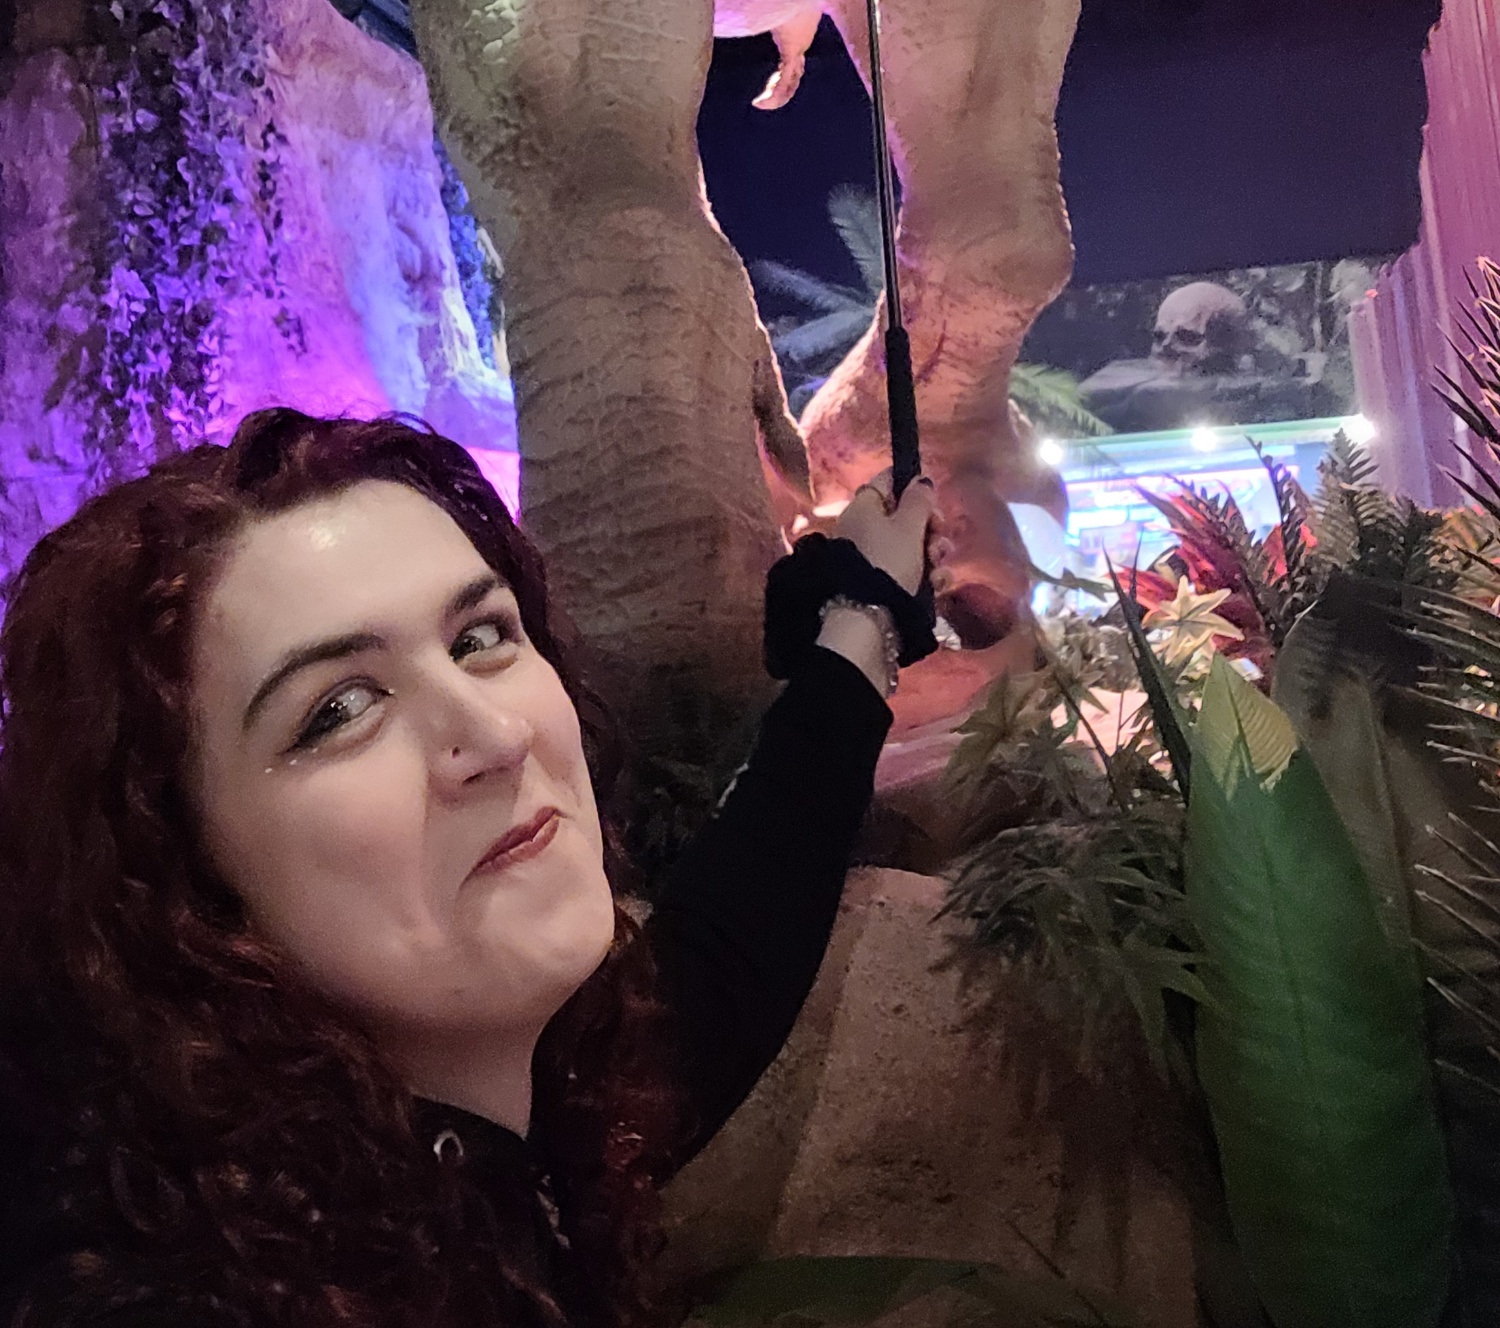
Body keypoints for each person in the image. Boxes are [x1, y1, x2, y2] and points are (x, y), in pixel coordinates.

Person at [0, 409, 940, 1328]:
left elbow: (722, 963)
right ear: (183, 877)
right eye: (340, 710)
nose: (496, 735)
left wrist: (863, 615)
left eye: (479, 638)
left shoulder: (515, 1128)